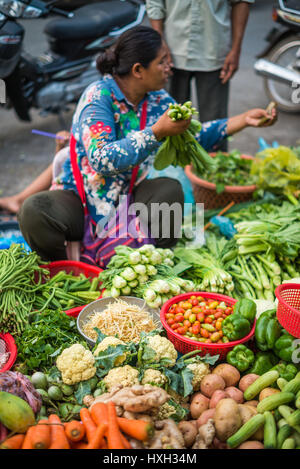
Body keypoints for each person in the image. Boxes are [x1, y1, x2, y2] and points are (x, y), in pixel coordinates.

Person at [15, 26, 275, 265]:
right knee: (34, 211)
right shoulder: (99, 97)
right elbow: (102, 159)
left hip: (127, 201)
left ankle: (155, 264)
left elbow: (192, 139)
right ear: (138, 70)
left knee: (169, 191)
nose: (169, 67)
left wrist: (243, 121)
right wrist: (156, 132)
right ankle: (65, 270)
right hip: (80, 202)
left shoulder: (158, 100)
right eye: (162, 61)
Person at [145, 0, 254, 150]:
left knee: (216, 125)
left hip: (214, 49)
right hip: (171, 49)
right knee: (168, 125)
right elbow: (154, 3)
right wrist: (160, 42)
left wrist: (236, 49)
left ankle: (214, 168)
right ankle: (172, 171)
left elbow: (242, 2)